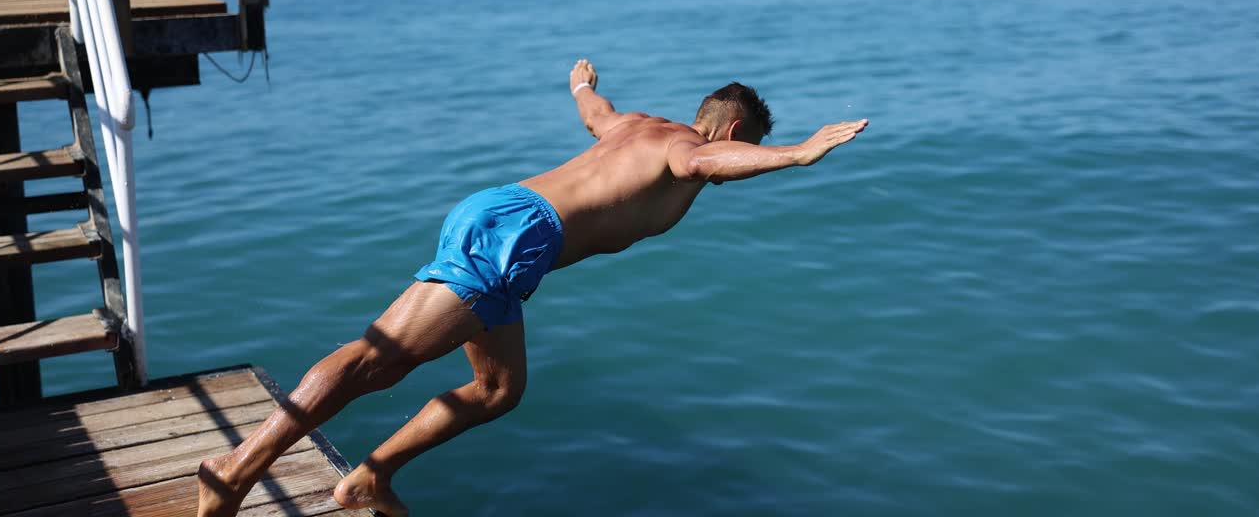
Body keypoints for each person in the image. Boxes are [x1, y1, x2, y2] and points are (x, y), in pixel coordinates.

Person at [197, 59, 868, 516]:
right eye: (750, 144)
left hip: (506, 215)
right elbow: (703, 160)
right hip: (521, 235)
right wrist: (796, 154)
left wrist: (580, 86)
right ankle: (235, 472)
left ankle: (371, 477)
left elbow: (596, 113)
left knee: (498, 389)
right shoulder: (686, 150)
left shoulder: (634, 125)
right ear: (736, 130)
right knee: (379, 359)